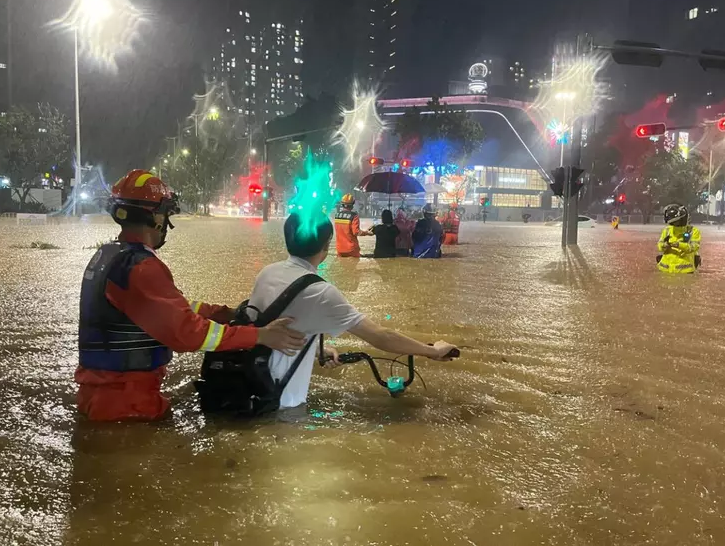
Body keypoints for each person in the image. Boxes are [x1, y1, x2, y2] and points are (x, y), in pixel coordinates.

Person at [75, 169, 305, 422]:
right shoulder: (141, 268)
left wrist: (223, 314)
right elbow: (187, 333)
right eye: (165, 213)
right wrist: (260, 335)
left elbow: (169, 311)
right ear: (156, 218)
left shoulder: (111, 256)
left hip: (102, 395)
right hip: (127, 403)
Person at [244, 212, 459, 409]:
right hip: (280, 403)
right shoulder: (320, 291)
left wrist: (315, 350)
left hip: (249, 386)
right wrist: (433, 351)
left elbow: (269, 328)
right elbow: (381, 337)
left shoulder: (267, 273)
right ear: (326, 246)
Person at [656, 204, 701, 274]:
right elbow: (660, 245)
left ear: (682, 219)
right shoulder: (667, 230)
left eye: (675, 222)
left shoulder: (693, 231)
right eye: (671, 222)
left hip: (685, 272)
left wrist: (679, 245)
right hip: (664, 270)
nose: (673, 224)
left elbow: (694, 247)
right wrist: (664, 245)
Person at [334, 193, 364, 258]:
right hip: (352, 250)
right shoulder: (354, 216)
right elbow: (356, 232)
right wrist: (367, 233)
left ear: (342, 204)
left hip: (339, 249)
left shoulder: (337, 215)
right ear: (352, 205)